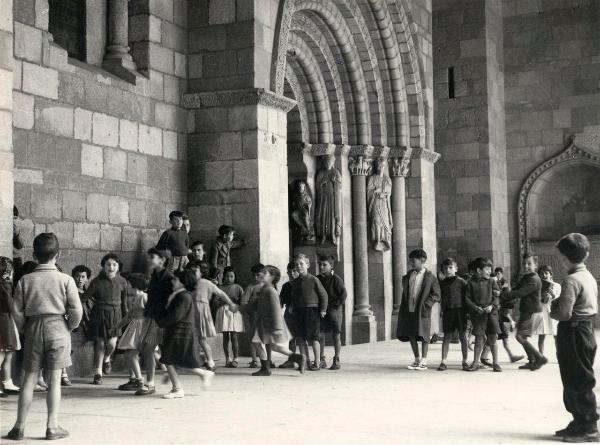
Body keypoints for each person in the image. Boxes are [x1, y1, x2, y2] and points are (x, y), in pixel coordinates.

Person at [7, 233, 82, 441]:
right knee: (55, 379)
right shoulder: (66, 279)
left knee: (29, 378)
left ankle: (19, 427)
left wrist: (25, 328)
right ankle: (52, 426)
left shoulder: (25, 280)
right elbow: (76, 310)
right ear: (58, 255)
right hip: (58, 327)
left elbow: (16, 310)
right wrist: (69, 326)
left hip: (32, 327)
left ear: (33, 254)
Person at [551, 233, 599, 442]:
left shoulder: (570, 280)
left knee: (575, 378)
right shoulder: (588, 276)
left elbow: (564, 314)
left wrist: (553, 303)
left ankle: (588, 427)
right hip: (587, 330)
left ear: (563, 257)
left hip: (572, 332)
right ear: (586, 254)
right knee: (581, 375)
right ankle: (580, 421)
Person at [157, 270, 217, 398]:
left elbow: (176, 315)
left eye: (175, 279)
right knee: (172, 360)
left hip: (180, 332)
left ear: (183, 282)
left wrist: (161, 321)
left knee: (169, 359)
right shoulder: (181, 294)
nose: (172, 281)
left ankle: (178, 388)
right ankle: (201, 375)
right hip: (179, 331)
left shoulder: (183, 296)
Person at [242, 265, 306, 376]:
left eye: (265, 273)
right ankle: (298, 358)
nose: (261, 274)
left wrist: (277, 327)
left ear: (272, 277)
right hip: (266, 323)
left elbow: (276, 309)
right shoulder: (264, 289)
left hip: (269, 323)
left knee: (256, 342)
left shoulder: (270, 291)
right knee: (273, 346)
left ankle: (265, 368)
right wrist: (239, 308)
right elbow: (255, 304)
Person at [84, 253, 128, 385]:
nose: (111, 267)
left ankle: (107, 359)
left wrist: (126, 318)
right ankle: (98, 373)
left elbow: (124, 302)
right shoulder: (96, 282)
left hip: (116, 315)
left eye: (114, 264)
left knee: (112, 344)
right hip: (99, 314)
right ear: (103, 266)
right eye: (108, 264)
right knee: (101, 344)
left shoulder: (122, 281)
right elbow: (85, 297)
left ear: (118, 267)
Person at [135, 248, 173, 396]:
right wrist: (147, 317)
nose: (149, 259)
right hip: (153, 319)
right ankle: (150, 383)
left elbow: (172, 301)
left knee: (164, 352)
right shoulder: (154, 277)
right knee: (148, 349)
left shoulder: (169, 278)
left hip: (163, 321)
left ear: (162, 260)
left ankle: (175, 382)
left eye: (152, 257)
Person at [187, 260, 238, 371]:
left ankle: (209, 361)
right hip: (191, 313)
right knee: (193, 339)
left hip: (200, 313)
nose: (192, 274)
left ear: (202, 272)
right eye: (190, 272)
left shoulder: (206, 283)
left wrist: (231, 303)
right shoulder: (189, 284)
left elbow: (221, 293)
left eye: (195, 271)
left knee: (202, 339)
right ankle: (200, 359)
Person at [396, 249, 440, 370]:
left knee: (424, 334)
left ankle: (424, 361)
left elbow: (436, 294)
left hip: (423, 310)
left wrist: (427, 304)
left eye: (413, 260)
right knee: (411, 334)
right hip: (409, 309)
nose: (411, 263)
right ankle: (416, 359)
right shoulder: (409, 276)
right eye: (410, 260)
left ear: (422, 260)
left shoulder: (430, 277)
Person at [501, 254, 546, 370]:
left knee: (520, 337)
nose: (526, 266)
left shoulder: (534, 280)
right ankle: (532, 361)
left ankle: (539, 357)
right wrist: (504, 295)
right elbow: (516, 290)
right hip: (527, 311)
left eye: (529, 264)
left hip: (532, 312)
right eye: (524, 263)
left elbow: (520, 293)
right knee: (522, 337)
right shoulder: (527, 278)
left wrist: (502, 295)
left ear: (535, 265)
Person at [291, 254, 328, 371]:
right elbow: (294, 296)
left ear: (307, 265)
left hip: (312, 311)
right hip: (299, 311)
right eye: (296, 264)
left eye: (301, 264)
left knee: (314, 338)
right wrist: (292, 305)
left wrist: (323, 309)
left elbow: (324, 295)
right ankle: (305, 361)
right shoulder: (295, 282)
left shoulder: (313, 279)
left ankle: (317, 362)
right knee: (301, 338)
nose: (299, 266)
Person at [464, 258, 502, 372]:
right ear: (478, 270)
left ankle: (496, 363)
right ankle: (475, 363)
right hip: (478, 314)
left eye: (490, 268)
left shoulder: (492, 282)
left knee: (492, 338)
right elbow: (467, 298)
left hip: (491, 313)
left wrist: (492, 306)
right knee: (479, 338)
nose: (490, 270)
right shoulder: (471, 283)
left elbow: (496, 297)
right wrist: (476, 308)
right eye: (487, 268)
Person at [59, 265, 92, 387]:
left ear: (87, 279)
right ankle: (63, 374)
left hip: (85, 325)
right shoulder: (70, 292)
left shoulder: (90, 293)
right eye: (77, 276)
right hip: (71, 325)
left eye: (83, 276)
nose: (80, 279)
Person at [116, 274, 149, 392]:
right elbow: (129, 316)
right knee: (128, 354)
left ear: (133, 285)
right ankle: (133, 378)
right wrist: (117, 326)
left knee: (132, 355)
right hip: (134, 327)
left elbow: (151, 313)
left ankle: (139, 381)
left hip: (141, 328)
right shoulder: (135, 298)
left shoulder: (143, 297)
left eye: (127, 284)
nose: (126, 286)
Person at [437, 258, 468, 371]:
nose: (448, 270)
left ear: (456, 268)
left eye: (450, 267)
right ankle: (443, 361)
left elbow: (467, 297)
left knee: (462, 336)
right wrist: (441, 310)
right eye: (445, 268)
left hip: (460, 311)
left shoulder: (461, 282)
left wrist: (468, 312)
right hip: (448, 311)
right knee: (447, 336)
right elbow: (442, 298)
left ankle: (465, 361)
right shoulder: (442, 283)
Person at [317, 255, 347, 370]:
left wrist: (337, 304)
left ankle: (337, 358)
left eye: (324, 265)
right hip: (321, 309)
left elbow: (343, 294)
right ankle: (322, 358)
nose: (321, 267)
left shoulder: (336, 279)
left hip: (334, 309)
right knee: (320, 333)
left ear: (331, 266)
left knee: (336, 334)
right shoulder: (318, 278)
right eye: (320, 264)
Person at [216, 267, 244, 368]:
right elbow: (215, 301)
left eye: (231, 276)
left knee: (234, 336)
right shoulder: (220, 287)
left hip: (234, 312)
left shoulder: (238, 288)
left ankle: (235, 358)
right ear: (223, 277)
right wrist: (222, 301)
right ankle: (228, 359)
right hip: (223, 312)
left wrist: (235, 302)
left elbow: (242, 302)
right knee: (225, 337)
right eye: (227, 276)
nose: (229, 278)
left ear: (235, 277)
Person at [0, 257, 20, 396]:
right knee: (4, 353)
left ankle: (8, 383)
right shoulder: (5, 285)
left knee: (7, 352)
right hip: (4, 320)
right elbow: (9, 306)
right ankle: (7, 383)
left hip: (5, 319)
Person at [242, 263, 266, 368]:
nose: (256, 277)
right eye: (254, 275)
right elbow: (243, 302)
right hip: (254, 315)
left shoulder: (268, 286)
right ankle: (254, 360)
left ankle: (267, 360)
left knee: (266, 339)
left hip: (266, 316)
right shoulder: (250, 287)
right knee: (253, 338)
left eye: (258, 275)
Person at [537, 264, 561, 358]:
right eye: (541, 273)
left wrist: (552, 294)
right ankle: (541, 355)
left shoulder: (556, 286)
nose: (544, 275)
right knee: (542, 334)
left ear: (551, 274)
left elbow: (559, 297)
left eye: (546, 273)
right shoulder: (538, 286)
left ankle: (559, 355)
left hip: (553, 311)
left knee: (556, 335)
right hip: (542, 311)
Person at [278, 263, 300, 369]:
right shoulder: (285, 286)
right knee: (291, 338)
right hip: (289, 314)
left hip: (301, 313)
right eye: (289, 271)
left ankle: (307, 360)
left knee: (302, 338)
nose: (292, 273)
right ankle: (291, 360)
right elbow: (281, 302)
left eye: (295, 271)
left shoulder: (302, 284)